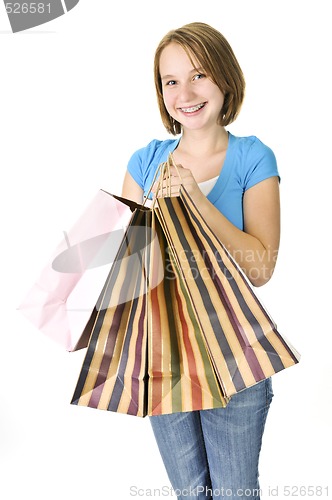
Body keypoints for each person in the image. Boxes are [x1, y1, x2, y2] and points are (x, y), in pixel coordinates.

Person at [122, 22, 279, 500]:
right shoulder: (146, 161)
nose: (185, 93)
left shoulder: (254, 158)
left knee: (234, 493)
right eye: (171, 81)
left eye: (199, 76)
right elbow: (125, 274)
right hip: (163, 356)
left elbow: (261, 268)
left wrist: (198, 200)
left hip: (234, 355)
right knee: (191, 495)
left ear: (224, 80)